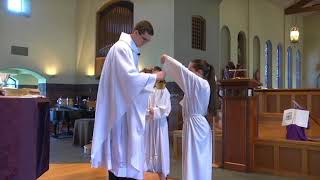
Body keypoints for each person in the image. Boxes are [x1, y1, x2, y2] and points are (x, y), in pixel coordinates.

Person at [91, 20, 166, 180]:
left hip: (123, 106)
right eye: (144, 39)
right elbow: (129, 78)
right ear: (136, 32)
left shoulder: (129, 49)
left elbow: (129, 80)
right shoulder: (121, 48)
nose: (145, 44)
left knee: (126, 148)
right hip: (120, 109)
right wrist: (154, 76)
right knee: (121, 149)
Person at [161, 54, 214, 180]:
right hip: (196, 125)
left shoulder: (200, 83)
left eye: (190, 70)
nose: (188, 72)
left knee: (195, 161)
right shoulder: (200, 85)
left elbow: (181, 71)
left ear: (199, 72)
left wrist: (167, 60)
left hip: (196, 127)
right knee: (195, 161)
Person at [144, 66, 171, 180]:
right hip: (148, 123)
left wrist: (154, 111)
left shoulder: (163, 90)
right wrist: (147, 111)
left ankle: (162, 173)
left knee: (160, 148)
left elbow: (166, 108)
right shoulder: (147, 89)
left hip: (159, 124)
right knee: (146, 146)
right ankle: (146, 170)